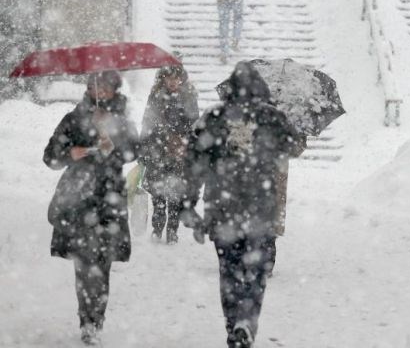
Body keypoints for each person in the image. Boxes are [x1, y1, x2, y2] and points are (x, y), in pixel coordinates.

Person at [182, 62, 307, 348]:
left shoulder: (213, 118)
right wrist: (286, 122)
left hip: (222, 210)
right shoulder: (271, 117)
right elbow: (295, 147)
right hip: (260, 211)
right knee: (256, 274)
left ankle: (232, 327)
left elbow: (193, 165)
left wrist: (188, 204)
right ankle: (246, 322)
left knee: (229, 271)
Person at [43, 70, 139, 345]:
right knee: (84, 265)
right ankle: (87, 320)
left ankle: (95, 321)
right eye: (97, 87)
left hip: (109, 201)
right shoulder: (73, 119)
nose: (101, 92)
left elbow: (136, 151)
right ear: (89, 88)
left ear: (115, 90)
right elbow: (50, 157)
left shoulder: (122, 120)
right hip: (78, 200)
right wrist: (69, 153)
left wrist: (111, 145)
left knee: (102, 265)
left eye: (107, 88)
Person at [142, 63, 199, 244]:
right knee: (158, 192)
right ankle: (157, 227)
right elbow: (147, 121)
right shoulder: (156, 96)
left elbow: (194, 123)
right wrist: (144, 147)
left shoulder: (189, 96)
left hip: (178, 151)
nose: (173, 82)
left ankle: (172, 230)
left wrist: (184, 140)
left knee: (175, 192)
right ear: (163, 78)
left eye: (176, 78)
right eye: (170, 78)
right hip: (157, 150)